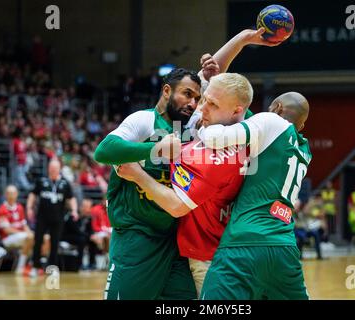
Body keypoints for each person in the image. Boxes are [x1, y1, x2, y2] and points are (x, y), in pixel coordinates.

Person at [93, 27, 275, 300]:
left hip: (176, 239)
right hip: (138, 236)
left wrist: (244, 40)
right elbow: (104, 151)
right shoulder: (143, 120)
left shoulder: (191, 124)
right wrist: (153, 149)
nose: (193, 103)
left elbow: (215, 84)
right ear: (166, 91)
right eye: (186, 95)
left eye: (197, 99)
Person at [116, 72, 252, 296]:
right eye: (203, 99)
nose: (201, 108)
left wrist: (137, 174)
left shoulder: (216, 157)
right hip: (228, 248)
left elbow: (177, 206)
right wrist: (242, 41)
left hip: (209, 255)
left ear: (236, 111)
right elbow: (225, 93)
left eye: (211, 103)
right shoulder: (243, 132)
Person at [193, 90, 311, 300]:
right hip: (284, 247)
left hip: (245, 242)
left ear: (278, 109)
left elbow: (215, 138)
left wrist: (201, 126)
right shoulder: (303, 149)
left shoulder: (271, 121)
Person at [26, 159, 78, 277]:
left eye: (55, 168)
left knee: (55, 243)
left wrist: (74, 210)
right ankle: (35, 266)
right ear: (48, 168)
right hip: (42, 217)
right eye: (51, 168)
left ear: (59, 169)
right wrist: (29, 208)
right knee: (38, 241)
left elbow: (71, 198)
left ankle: (52, 268)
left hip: (58, 218)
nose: (53, 170)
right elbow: (33, 194)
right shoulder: (41, 180)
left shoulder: (65, 183)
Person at [0, 185, 34, 274]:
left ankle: (33, 265)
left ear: (16, 194)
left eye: (13, 193)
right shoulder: (2, 209)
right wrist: (26, 234)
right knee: (29, 238)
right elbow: (7, 230)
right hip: (7, 239)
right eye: (9, 193)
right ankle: (20, 268)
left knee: (41, 238)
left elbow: (24, 225)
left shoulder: (20, 207)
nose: (11, 195)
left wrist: (29, 232)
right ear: (5, 195)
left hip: (21, 236)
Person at [61, 198, 95, 270]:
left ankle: (92, 263)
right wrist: (89, 236)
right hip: (68, 236)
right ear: (82, 207)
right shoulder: (74, 215)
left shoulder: (89, 218)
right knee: (82, 240)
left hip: (81, 236)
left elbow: (90, 230)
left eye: (90, 207)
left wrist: (92, 236)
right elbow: (76, 230)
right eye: (87, 207)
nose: (89, 210)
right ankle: (79, 263)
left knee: (92, 241)